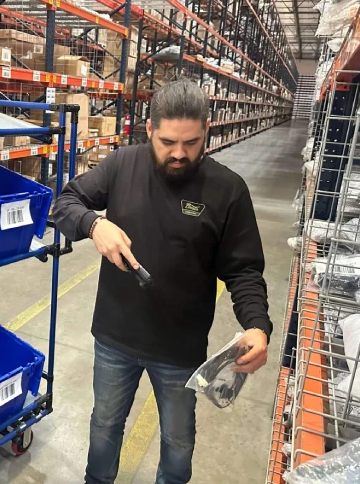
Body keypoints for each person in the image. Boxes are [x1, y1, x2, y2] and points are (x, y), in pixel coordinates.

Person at [53, 80, 273, 484]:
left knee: (178, 441)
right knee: (104, 425)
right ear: (150, 129)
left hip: (180, 349)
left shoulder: (228, 190)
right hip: (115, 338)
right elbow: (64, 203)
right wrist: (94, 224)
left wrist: (257, 325)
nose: (179, 153)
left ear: (207, 130)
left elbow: (244, 270)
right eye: (168, 141)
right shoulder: (123, 165)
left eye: (191, 143)